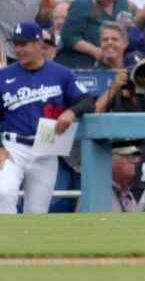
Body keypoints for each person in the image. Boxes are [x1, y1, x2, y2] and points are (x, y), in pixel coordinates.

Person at [0, 21, 91, 214]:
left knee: (37, 212)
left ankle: (27, 244)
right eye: (16, 44)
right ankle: (6, 241)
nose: (18, 49)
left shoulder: (61, 73)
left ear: (39, 44)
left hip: (47, 147)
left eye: (24, 43)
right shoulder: (4, 75)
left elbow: (87, 100)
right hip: (12, 147)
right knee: (3, 191)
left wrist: (71, 111)